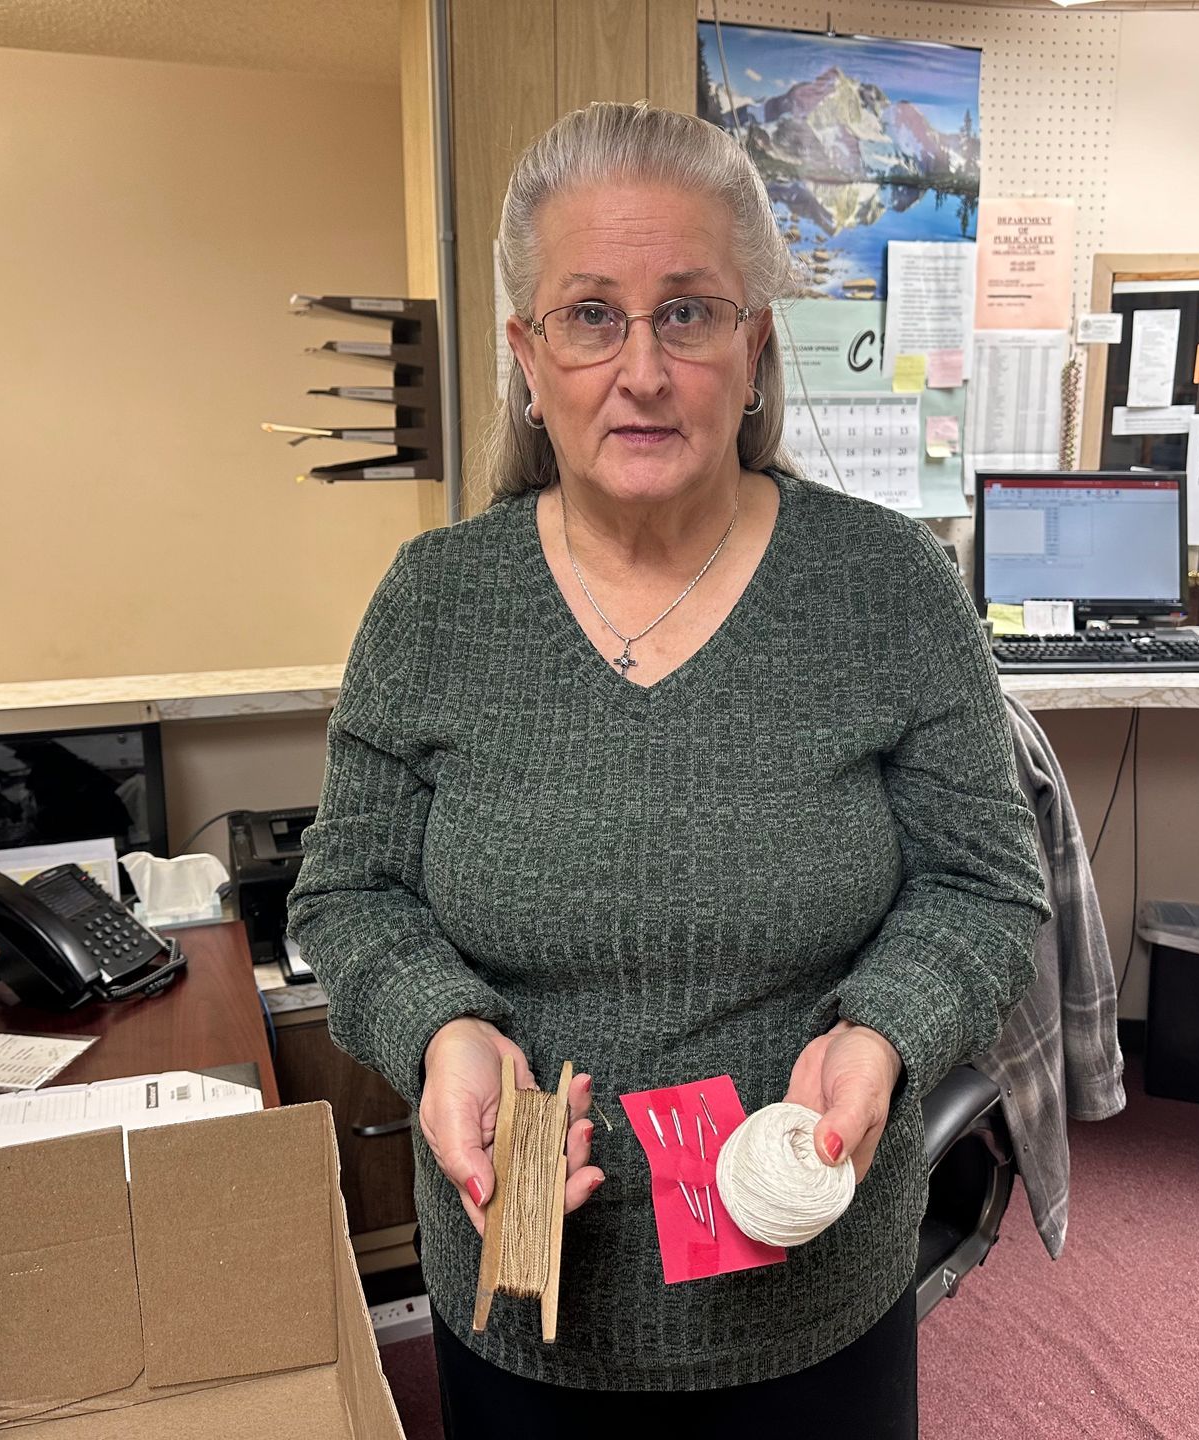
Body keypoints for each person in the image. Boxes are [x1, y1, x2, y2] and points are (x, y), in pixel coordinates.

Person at [287, 101, 1047, 1437]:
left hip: (814, 1291)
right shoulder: (436, 606)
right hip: (525, 1293)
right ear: (529, 357)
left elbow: (985, 884)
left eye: (688, 312)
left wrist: (883, 1029)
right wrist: (441, 1029)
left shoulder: (884, 588)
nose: (641, 367)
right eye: (592, 315)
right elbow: (348, 898)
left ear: (755, 350)